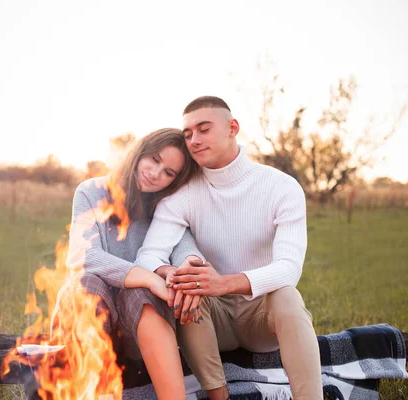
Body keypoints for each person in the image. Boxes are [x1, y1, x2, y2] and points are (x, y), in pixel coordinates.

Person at [136, 97, 324, 400]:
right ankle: (218, 395)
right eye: (188, 134)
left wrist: (224, 283)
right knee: (187, 287)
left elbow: (290, 268)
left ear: (232, 128)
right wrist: (175, 273)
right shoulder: (182, 194)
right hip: (211, 319)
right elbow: (148, 255)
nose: (194, 140)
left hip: (263, 317)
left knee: (288, 295)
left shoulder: (281, 187)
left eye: (204, 129)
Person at [59, 128, 202, 400]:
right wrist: (149, 277)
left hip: (141, 326)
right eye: (155, 160)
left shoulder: (168, 205)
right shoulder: (91, 191)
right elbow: (82, 255)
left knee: (139, 294)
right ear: (141, 151)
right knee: (87, 282)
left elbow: (187, 252)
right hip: (89, 319)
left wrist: (186, 269)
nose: (156, 173)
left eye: (169, 173)